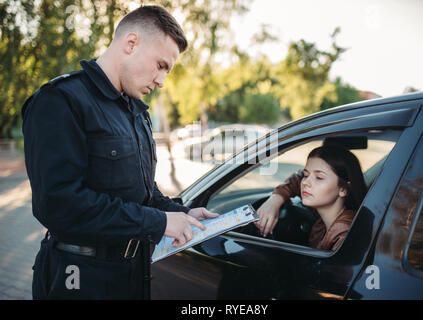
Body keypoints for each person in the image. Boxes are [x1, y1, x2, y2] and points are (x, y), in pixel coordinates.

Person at [22, 5, 218, 300]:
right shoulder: (61, 100)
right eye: (161, 65)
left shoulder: (136, 112)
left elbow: (142, 193)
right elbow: (59, 204)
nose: (162, 80)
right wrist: (159, 223)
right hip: (78, 278)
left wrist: (182, 214)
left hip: (131, 273)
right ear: (131, 43)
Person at [255, 145, 367, 251]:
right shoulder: (328, 214)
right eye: (306, 175)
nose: (305, 182)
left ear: (343, 190)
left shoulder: (345, 236)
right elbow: (297, 179)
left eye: (319, 178)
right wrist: (274, 201)